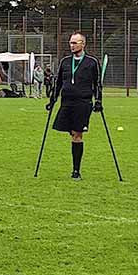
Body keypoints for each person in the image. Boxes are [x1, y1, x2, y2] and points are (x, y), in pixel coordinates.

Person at [46, 32, 103, 180]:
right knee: (70, 132)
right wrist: (52, 100)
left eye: (75, 43)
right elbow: (58, 82)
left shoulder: (92, 62)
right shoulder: (65, 61)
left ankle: (76, 170)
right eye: (71, 43)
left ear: (83, 44)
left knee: (77, 134)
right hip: (66, 102)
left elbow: (97, 83)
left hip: (83, 102)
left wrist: (98, 101)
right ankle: (75, 150)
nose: (72, 46)